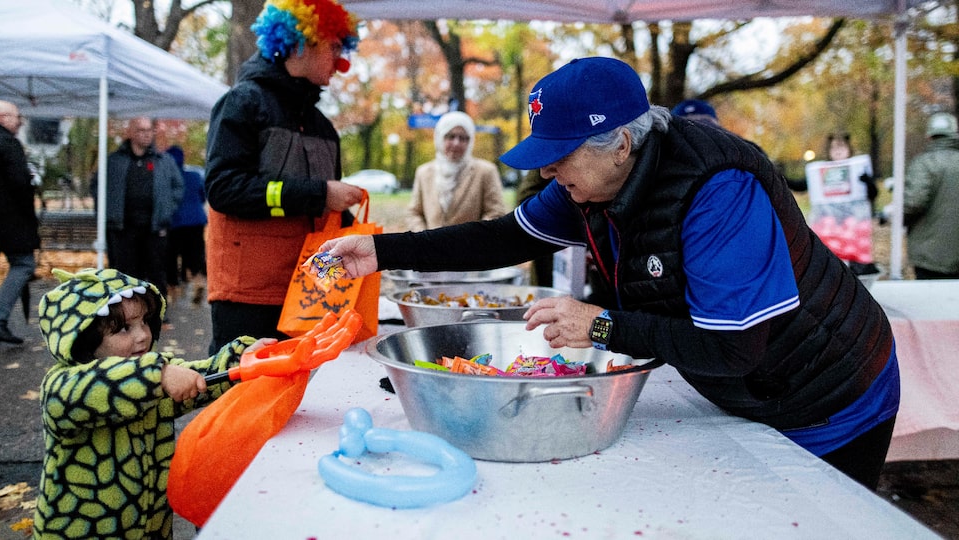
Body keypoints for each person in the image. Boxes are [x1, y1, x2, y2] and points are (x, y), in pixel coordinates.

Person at [322, 57, 900, 490]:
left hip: (834, 394)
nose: (547, 169)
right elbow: (500, 236)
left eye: (561, 153)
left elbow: (734, 350)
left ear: (621, 144)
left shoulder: (718, 190)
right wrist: (384, 251)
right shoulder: (586, 186)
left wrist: (601, 326)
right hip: (751, 394)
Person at [32, 267, 273, 538]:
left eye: (144, 321)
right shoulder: (61, 388)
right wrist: (158, 376)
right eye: (124, 328)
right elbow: (103, 386)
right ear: (84, 341)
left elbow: (199, 377)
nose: (143, 335)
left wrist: (242, 361)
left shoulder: (154, 377)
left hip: (150, 527)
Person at [204, 0, 365, 353]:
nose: (342, 63)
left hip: (311, 294)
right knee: (244, 398)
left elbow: (326, 220)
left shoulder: (324, 128)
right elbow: (223, 189)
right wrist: (320, 195)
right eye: (335, 47)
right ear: (300, 42)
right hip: (248, 296)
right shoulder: (242, 104)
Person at [91, 116, 183, 299]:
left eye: (150, 130)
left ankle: (156, 314)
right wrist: (108, 211)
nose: (147, 135)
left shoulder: (163, 161)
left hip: (154, 228)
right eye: (142, 130)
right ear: (131, 132)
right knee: (124, 273)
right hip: (122, 228)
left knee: (156, 271)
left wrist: (166, 211)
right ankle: (122, 313)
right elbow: (96, 186)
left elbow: (178, 187)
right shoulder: (115, 161)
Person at [405, 111, 508, 231]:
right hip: (430, 247)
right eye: (450, 136)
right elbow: (414, 212)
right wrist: (423, 237)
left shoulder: (485, 171)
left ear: (470, 141)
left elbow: (496, 213)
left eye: (463, 138)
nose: (456, 143)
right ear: (439, 137)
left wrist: (468, 239)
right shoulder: (423, 172)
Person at [0, 100, 40, 344]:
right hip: (10, 220)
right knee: (24, 263)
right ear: (3, 118)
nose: (20, 120)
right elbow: (20, 184)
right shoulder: (8, 144)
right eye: (16, 116)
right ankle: (0, 317)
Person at [902, 112, 959, 279]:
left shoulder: (923, 163)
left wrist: (897, 216)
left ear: (929, 136)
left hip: (930, 255)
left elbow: (913, 203)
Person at [164, 145, 208, 305]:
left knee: (171, 256)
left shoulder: (167, 178)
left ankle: (173, 289)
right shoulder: (195, 175)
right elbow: (203, 196)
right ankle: (198, 280)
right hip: (196, 220)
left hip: (175, 222)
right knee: (195, 254)